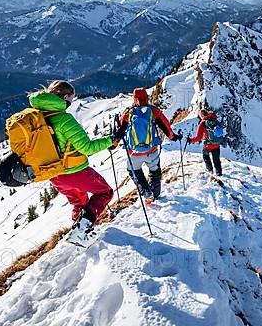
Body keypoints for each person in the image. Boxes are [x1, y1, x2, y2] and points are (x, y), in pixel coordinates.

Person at [28, 80, 116, 245]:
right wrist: (110, 140)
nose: (71, 102)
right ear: (65, 96)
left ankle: (78, 232)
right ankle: (81, 230)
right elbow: (87, 147)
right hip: (75, 171)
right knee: (105, 192)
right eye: (71, 98)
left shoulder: (37, 117)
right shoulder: (64, 119)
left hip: (54, 174)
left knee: (79, 201)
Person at [114, 88, 181, 201]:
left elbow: (120, 132)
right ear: (147, 97)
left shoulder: (127, 113)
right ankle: (155, 194)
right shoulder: (154, 111)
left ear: (134, 99)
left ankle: (145, 191)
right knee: (155, 172)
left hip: (134, 153)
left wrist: (114, 144)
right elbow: (165, 126)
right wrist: (173, 137)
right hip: (151, 151)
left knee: (134, 171)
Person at [187, 109, 223, 179]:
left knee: (206, 157)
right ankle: (219, 173)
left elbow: (198, 137)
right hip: (217, 144)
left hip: (208, 145)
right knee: (216, 159)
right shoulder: (215, 120)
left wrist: (190, 140)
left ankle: (210, 170)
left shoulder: (203, 123)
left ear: (202, 115)